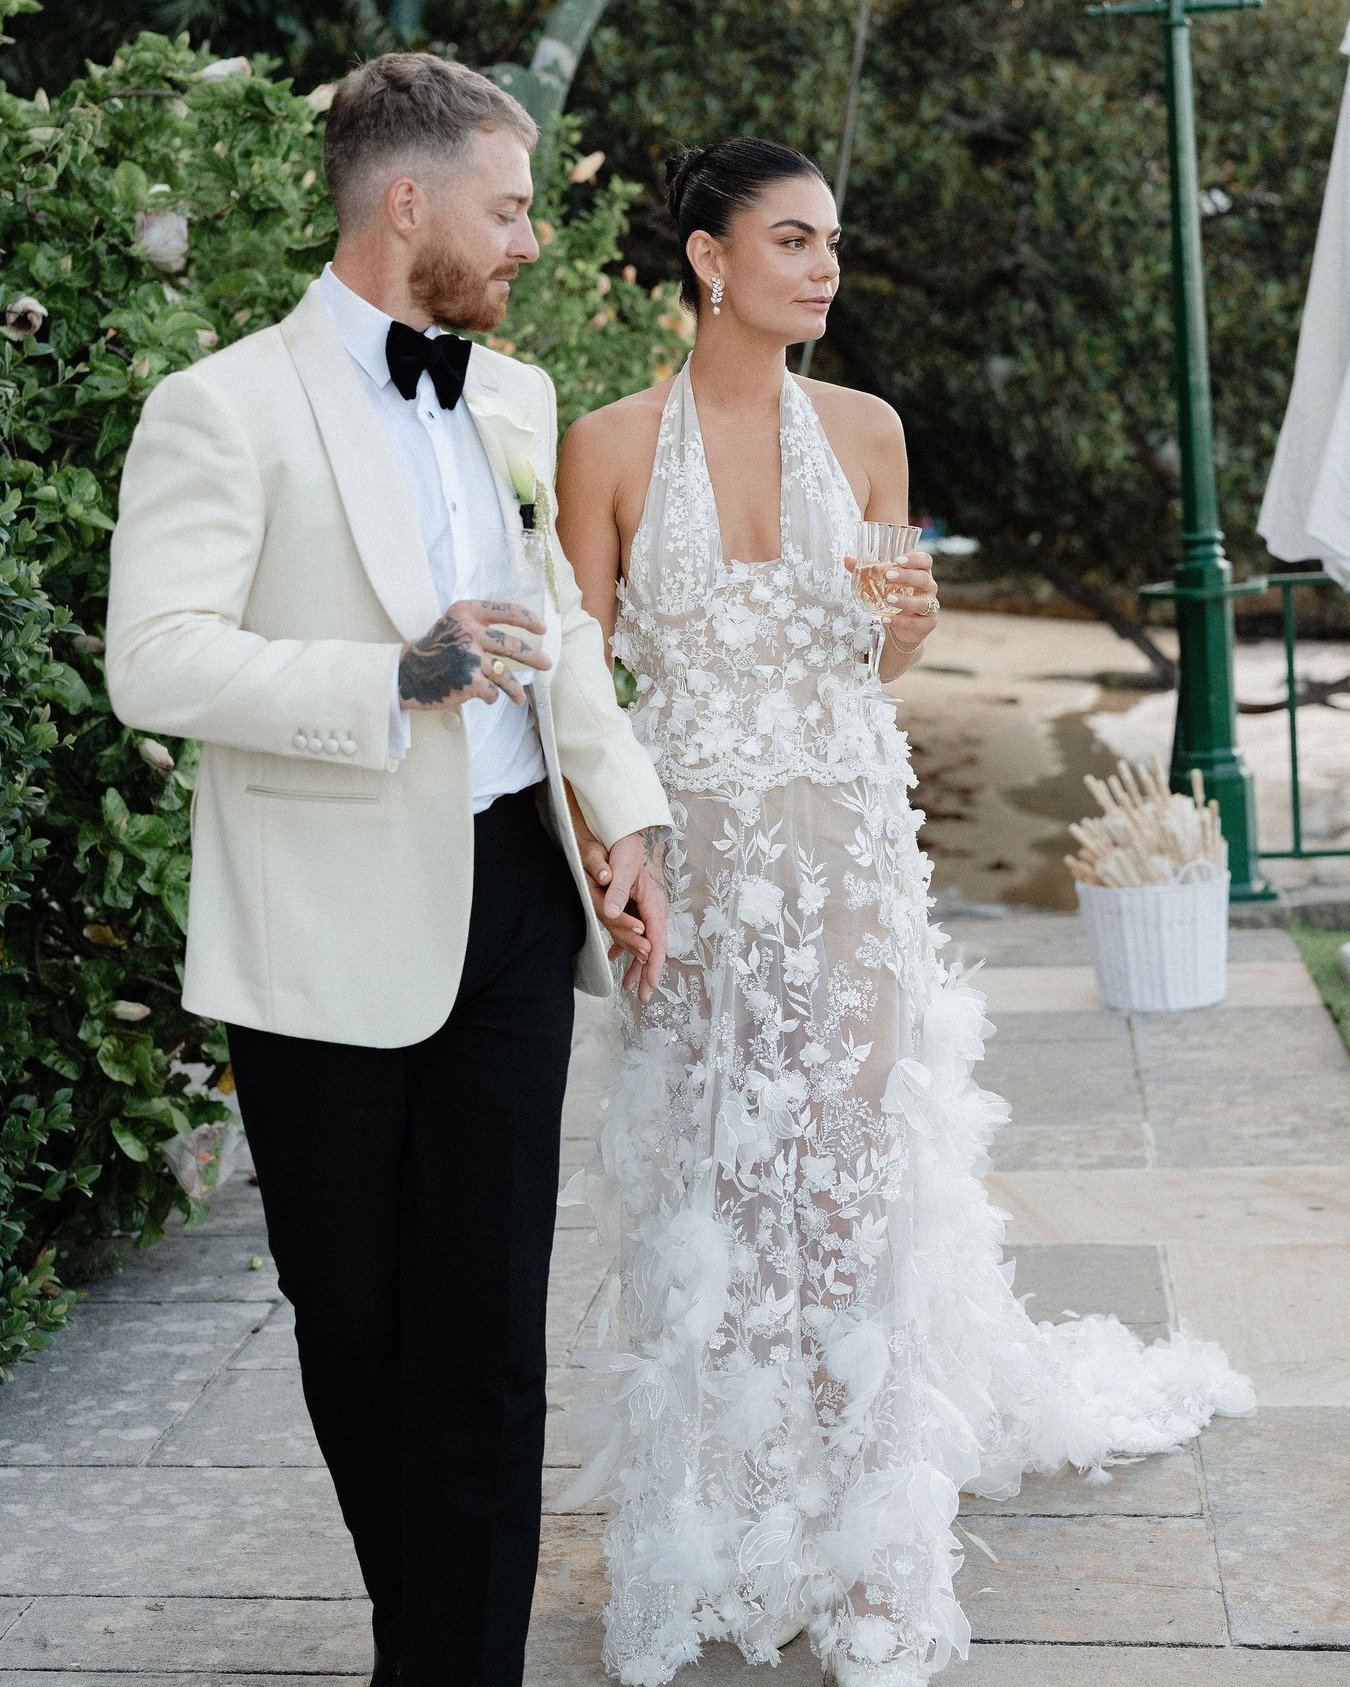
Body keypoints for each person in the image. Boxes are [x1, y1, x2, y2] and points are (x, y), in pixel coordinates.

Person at [550, 137, 1255, 1687]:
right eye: (791, 242)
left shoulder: (866, 433)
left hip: (847, 851)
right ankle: (720, 1527)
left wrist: (908, 628)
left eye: (833, 247)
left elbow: (875, 658)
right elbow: (577, 694)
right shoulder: (601, 446)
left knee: (851, 1179)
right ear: (707, 260)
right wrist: (618, 862)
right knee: (713, 1189)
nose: (822, 269)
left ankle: (875, 1549)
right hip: (696, 869)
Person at [104, 53, 672, 1687]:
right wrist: (389, 679)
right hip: (317, 928)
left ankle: (451, 1668)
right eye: (508, 207)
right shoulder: (219, 404)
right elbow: (158, 662)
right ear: (404, 203)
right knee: (356, 1326)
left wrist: (618, 818)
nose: (530, 241)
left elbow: (557, 643)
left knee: (489, 1338)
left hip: (507, 899)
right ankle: (415, 1627)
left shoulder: (509, 396)